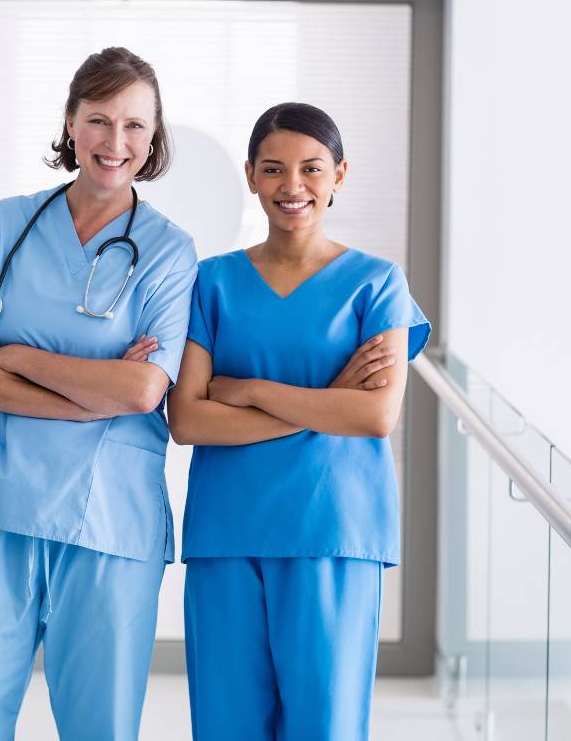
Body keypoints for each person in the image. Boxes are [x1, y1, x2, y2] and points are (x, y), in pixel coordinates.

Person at [0, 47, 197, 741]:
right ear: (70, 124)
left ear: (154, 137)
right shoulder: (6, 226)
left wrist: (14, 359)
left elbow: (141, 390)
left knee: (99, 725)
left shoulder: (167, 251)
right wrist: (85, 395)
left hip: (109, 517)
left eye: (135, 125)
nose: (116, 142)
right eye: (99, 120)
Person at [167, 102, 431, 740]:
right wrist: (323, 400)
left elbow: (372, 414)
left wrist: (252, 389)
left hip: (333, 530)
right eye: (275, 169)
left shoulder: (377, 284)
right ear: (252, 176)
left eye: (311, 168)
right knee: (227, 727)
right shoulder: (211, 282)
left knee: (325, 727)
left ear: (339, 175)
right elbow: (187, 419)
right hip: (228, 535)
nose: (293, 186)